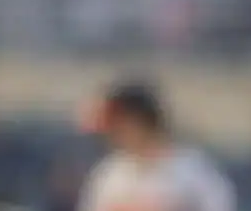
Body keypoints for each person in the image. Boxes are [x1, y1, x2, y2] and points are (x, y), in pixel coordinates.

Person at [77, 79, 236, 211]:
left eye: (117, 126)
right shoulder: (108, 176)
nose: (111, 135)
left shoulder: (194, 172)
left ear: (139, 122)